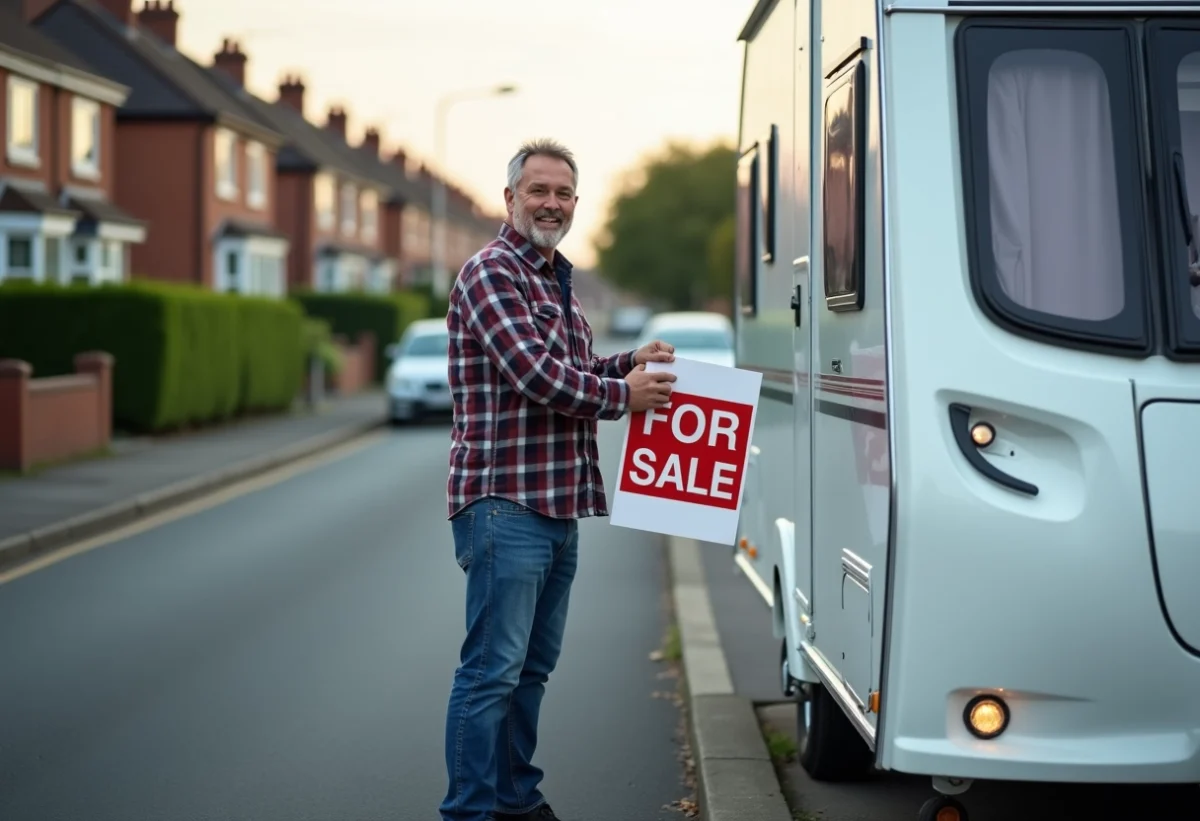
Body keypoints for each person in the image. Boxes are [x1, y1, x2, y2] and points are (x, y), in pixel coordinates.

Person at [440, 138, 677, 821]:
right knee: (491, 673)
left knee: (529, 671)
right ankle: (469, 812)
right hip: (504, 504)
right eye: (538, 190)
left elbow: (572, 367)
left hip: (556, 506)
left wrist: (629, 363)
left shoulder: (555, 281)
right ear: (509, 197)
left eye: (563, 193)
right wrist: (624, 396)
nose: (552, 203)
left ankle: (515, 799)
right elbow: (535, 376)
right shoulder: (491, 273)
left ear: (576, 203)